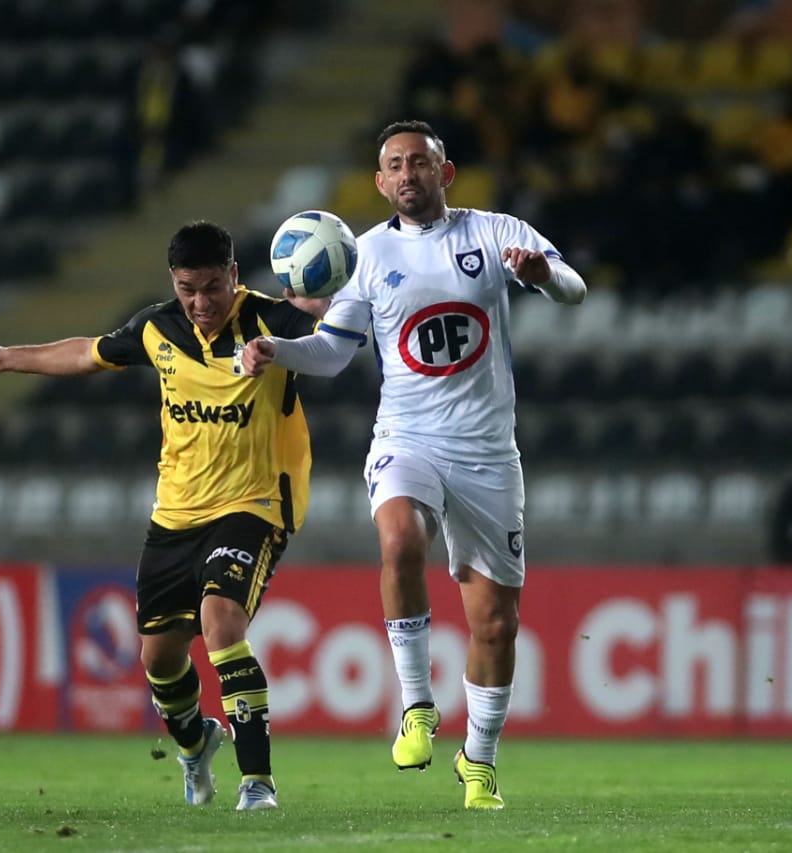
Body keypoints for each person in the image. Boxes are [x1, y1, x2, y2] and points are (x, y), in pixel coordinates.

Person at [241, 119, 586, 809]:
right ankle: (417, 704)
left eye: (420, 163)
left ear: (445, 172)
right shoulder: (364, 256)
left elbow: (576, 289)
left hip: (488, 450)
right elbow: (335, 351)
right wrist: (280, 351)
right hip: (408, 435)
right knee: (400, 539)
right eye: (394, 165)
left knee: (494, 623)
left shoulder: (493, 233)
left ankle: (479, 761)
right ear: (379, 181)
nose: (407, 175)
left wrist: (544, 275)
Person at [0, 221, 321, 811]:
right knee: (159, 658)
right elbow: (86, 353)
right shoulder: (157, 327)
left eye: (212, 287)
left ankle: (257, 782)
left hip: (253, 504)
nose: (201, 303)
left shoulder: (273, 322)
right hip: (175, 513)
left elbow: (335, 339)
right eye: (188, 290)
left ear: (234, 275)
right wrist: (8, 358)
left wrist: (327, 308)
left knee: (221, 619)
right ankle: (195, 743)